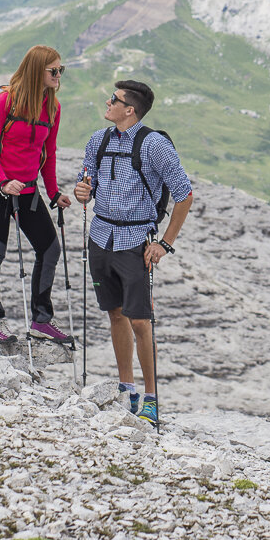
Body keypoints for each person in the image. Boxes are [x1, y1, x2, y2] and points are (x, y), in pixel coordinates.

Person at [70, 79, 192, 426]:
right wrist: (82, 191)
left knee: (141, 320)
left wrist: (164, 244)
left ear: (130, 110)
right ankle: (128, 389)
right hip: (100, 237)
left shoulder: (155, 145)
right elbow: (86, 181)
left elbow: (184, 194)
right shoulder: (98, 140)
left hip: (136, 242)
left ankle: (151, 399)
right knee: (115, 314)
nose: (107, 102)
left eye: (115, 99)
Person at [0, 45, 73, 345]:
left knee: (50, 249)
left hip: (28, 189)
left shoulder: (52, 108)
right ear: (36, 71)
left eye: (60, 70)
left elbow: (49, 152)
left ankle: (41, 320)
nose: (58, 76)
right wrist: (3, 182)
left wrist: (54, 193)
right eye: (53, 71)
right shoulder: (6, 101)